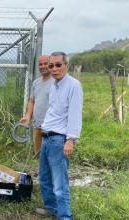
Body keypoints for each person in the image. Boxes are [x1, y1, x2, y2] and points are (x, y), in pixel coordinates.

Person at [36, 52, 83, 220]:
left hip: (59, 139)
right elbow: (53, 112)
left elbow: (75, 114)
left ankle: (64, 216)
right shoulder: (54, 85)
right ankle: (51, 209)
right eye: (51, 66)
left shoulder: (73, 85)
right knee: (44, 178)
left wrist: (70, 139)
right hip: (47, 137)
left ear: (66, 66)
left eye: (58, 65)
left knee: (59, 183)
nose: (54, 69)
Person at [20, 55, 53, 158]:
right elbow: (31, 101)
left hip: (51, 127)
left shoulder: (56, 82)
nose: (43, 66)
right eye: (40, 64)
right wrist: (28, 116)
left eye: (45, 64)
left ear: (50, 64)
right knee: (39, 156)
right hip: (37, 125)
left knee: (51, 157)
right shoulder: (36, 83)